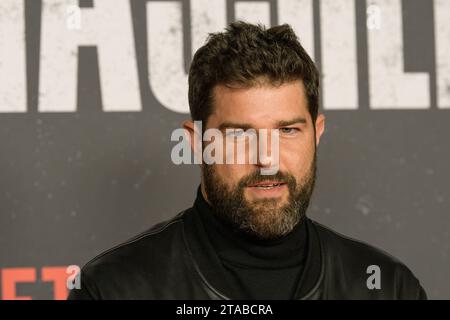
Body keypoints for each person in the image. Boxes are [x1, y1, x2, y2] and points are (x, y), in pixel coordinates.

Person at [68, 21, 426, 300]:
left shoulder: (387, 287)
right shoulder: (115, 288)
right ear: (197, 142)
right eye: (239, 135)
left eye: (287, 130)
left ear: (316, 133)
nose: (266, 159)